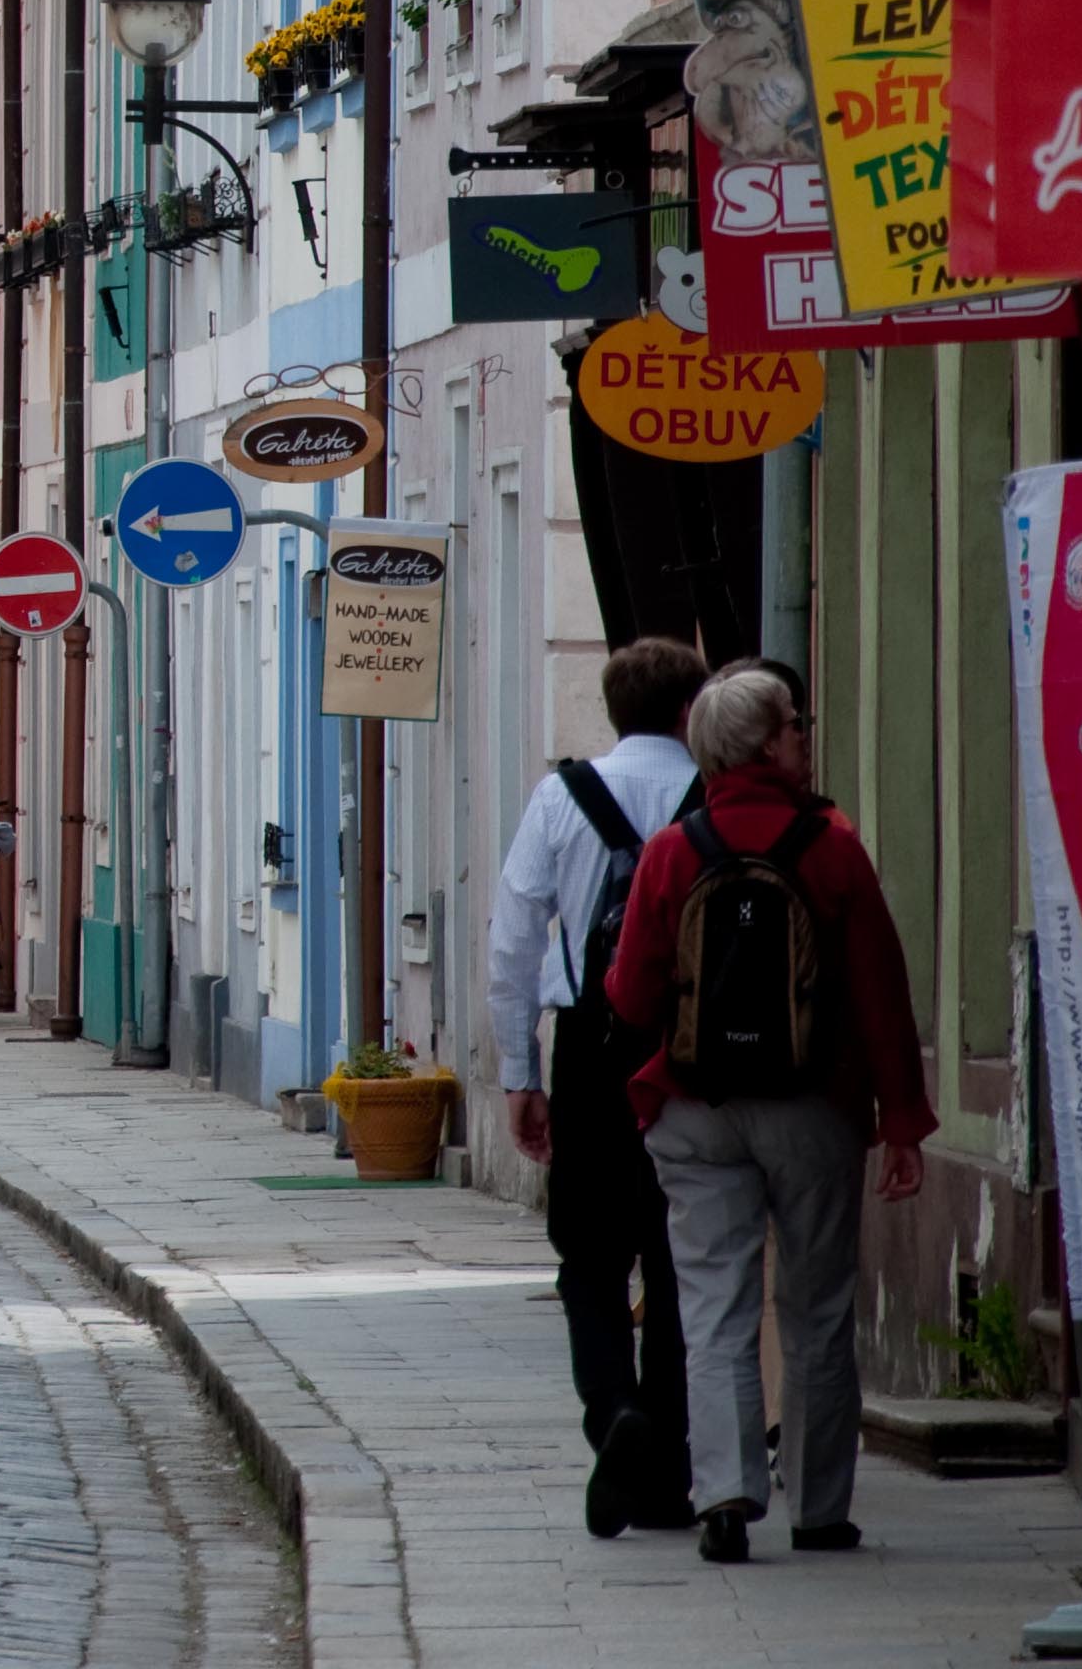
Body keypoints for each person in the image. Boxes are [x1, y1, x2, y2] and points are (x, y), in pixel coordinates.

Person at [604, 663, 935, 1565]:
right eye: (792, 723)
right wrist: (899, 1118)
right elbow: (881, 994)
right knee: (818, 1306)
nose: (803, 733)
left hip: (698, 1109)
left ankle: (724, 1495)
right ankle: (820, 1507)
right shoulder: (830, 846)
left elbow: (630, 998)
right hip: (812, 1108)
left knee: (714, 1306)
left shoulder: (676, 851)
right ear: (760, 744)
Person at [489, 634, 707, 1538]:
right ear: (688, 710)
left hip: (588, 1045)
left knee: (588, 1254)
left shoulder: (561, 797)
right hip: (693, 1053)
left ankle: (612, 1406)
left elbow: (513, 943)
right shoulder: (711, 798)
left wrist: (518, 1073)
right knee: (678, 1257)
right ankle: (667, 1473)